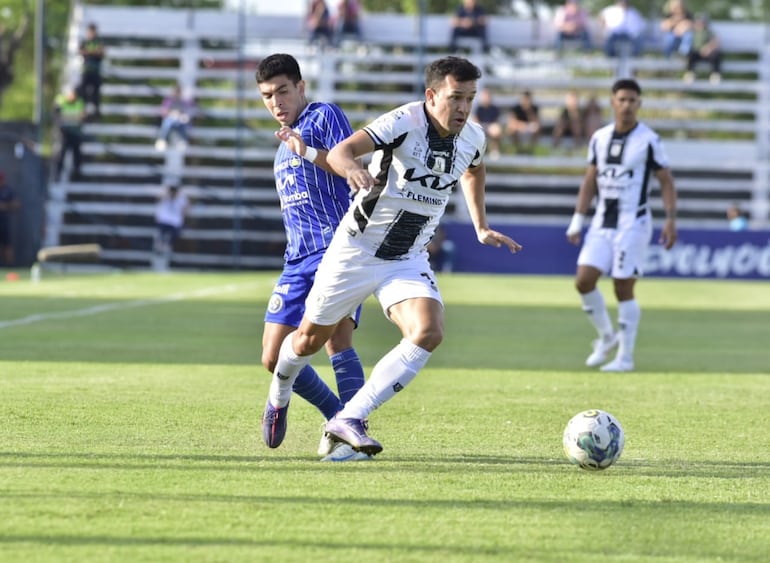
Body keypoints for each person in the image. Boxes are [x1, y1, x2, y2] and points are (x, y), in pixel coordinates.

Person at [263, 56, 522, 456]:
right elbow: (342, 152)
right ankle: (280, 390)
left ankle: (349, 417)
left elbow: (474, 169)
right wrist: (350, 168)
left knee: (429, 331)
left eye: (470, 99)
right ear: (431, 95)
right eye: (456, 98)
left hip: (407, 256)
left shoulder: (473, 136)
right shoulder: (404, 121)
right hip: (356, 249)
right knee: (305, 343)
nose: (463, 108)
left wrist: (480, 225)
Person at [256, 53, 369, 462]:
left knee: (337, 341)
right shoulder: (280, 149)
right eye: (267, 96)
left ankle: (352, 432)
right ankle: (336, 414)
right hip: (296, 260)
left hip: (337, 250)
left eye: (283, 91)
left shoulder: (323, 116)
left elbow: (348, 166)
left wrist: (306, 151)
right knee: (273, 356)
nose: (276, 102)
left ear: (300, 87)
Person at [566, 78, 677, 373]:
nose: (627, 105)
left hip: (634, 223)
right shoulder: (599, 138)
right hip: (602, 222)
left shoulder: (649, 140)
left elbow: (666, 181)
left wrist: (670, 219)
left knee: (622, 286)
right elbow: (589, 180)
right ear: (613, 103)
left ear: (639, 104)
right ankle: (606, 336)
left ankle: (625, 358)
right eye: (622, 99)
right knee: (583, 280)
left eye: (632, 100)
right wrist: (578, 220)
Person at [54, 86, 87, 182]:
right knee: (61, 154)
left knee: (77, 155)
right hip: (65, 133)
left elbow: (83, 117)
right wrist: (74, 118)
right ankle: (57, 174)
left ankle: (77, 174)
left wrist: (67, 118)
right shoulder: (61, 101)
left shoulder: (79, 102)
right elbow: (56, 115)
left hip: (75, 133)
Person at [154, 84, 196, 152]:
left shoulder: (186, 101)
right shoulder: (169, 100)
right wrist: (172, 114)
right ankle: (164, 140)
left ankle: (180, 141)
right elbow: (163, 111)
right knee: (168, 122)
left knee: (178, 122)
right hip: (171, 121)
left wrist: (184, 116)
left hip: (181, 122)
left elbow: (191, 111)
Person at [683, 14, 722, 85]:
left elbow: (715, 41)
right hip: (697, 53)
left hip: (708, 53)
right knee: (690, 54)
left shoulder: (709, 32)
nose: (700, 23)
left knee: (717, 54)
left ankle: (715, 74)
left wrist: (708, 48)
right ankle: (690, 73)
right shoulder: (693, 32)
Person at [78, 22, 105, 119]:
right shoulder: (84, 42)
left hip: (96, 71)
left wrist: (89, 52)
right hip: (86, 70)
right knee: (83, 91)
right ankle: (83, 111)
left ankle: (96, 112)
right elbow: (81, 52)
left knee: (96, 93)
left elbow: (101, 53)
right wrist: (94, 52)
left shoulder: (99, 42)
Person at [154, 184, 190, 254]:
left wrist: (183, 214)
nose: (173, 193)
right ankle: (161, 245)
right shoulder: (164, 197)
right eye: (171, 192)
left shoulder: (182, 199)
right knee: (162, 233)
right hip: (164, 220)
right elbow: (158, 201)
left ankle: (167, 245)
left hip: (174, 221)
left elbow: (186, 208)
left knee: (175, 233)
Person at [472, 87, 503, 159]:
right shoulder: (478, 108)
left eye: (487, 96)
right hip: (480, 127)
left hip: (491, 127)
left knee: (496, 130)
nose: (486, 98)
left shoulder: (494, 108)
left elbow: (496, 122)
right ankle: (477, 151)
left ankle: (494, 150)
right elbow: (475, 121)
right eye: (484, 96)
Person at [0, 171, 20, 266]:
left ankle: (9, 267)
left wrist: (5, 206)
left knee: (7, 246)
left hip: (4, 223)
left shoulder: (8, 190)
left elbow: (17, 204)